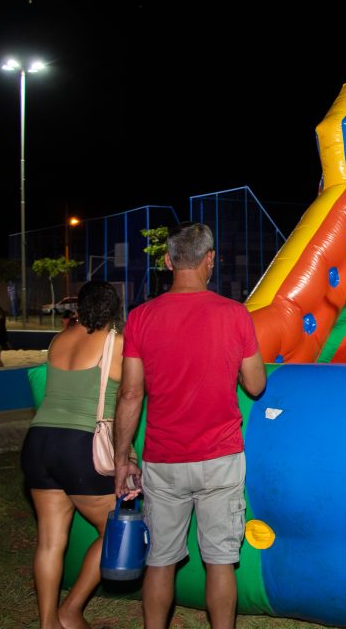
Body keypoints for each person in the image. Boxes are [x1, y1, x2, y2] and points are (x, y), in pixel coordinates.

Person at [113, 222, 266, 629]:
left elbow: (130, 395)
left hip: (163, 459)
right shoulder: (235, 315)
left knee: (160, 561)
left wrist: (121, 457)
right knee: (220, 562)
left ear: (167, 261)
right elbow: (255, 385)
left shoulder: (141, 317)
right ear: (210, 260)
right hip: (220, 458)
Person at [20, 281, 125, 629]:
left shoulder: (58, 341)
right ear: (114, 310)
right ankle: (70, 610)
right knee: (115, 527)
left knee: (50, 541)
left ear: (79, 307)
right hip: (80, 446)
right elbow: (132, 399)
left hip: (39, 442)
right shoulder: (115, 343)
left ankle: (48, 622)